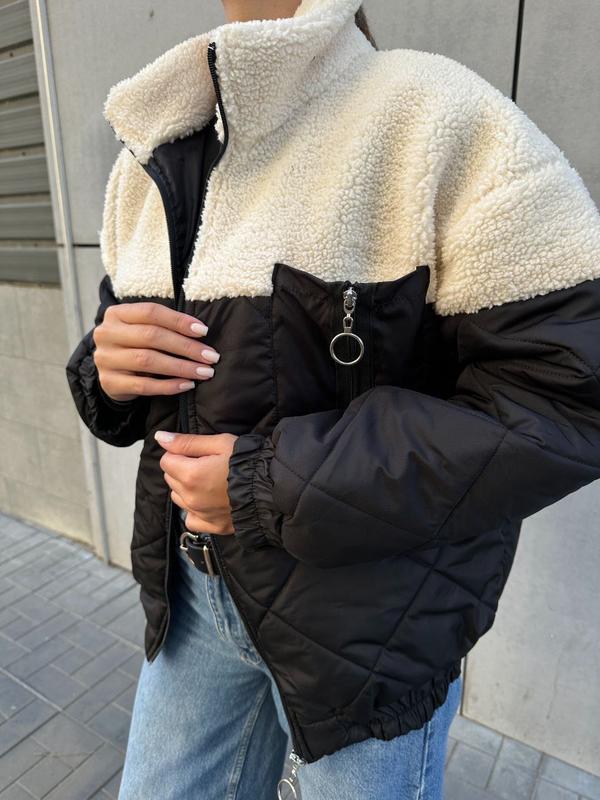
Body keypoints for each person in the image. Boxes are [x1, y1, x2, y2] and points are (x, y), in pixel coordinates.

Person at [65, 0, 600, 798]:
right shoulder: (153, 148)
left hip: (370, 630)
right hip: (192, 604)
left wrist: (264, 483)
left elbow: (566, 394)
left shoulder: (439, 118)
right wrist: (102, 371)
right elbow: (138, 378)